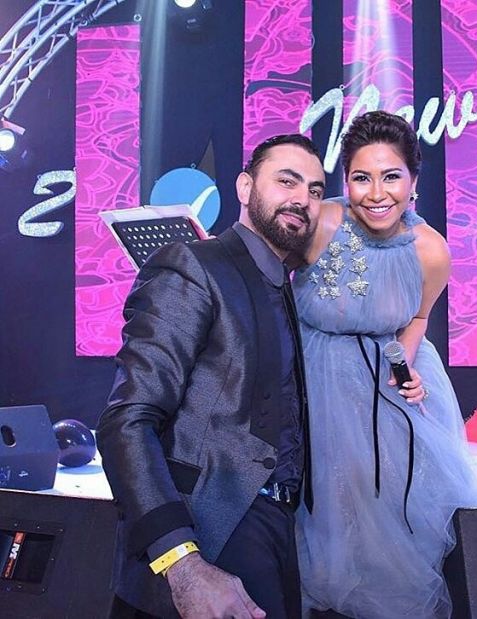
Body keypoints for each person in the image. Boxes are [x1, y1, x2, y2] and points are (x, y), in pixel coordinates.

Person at [96, 134, 326, 619]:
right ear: (244, 187)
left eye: (315, 190)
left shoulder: (283, 285)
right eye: (286, 181)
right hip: (205, 530)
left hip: (275, 527)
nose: (302, 199)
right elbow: (127, 421)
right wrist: (182, 562)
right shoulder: (193, 266)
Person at [292, 111, 477, 619]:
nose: (377, 193)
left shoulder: (432, 251)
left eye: (391, 176)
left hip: (387, 378)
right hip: (312, 375)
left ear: (414, 181)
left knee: (387, 505)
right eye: (362, 177)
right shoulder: (319, 223)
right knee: (324, 501)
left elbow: (419, 317)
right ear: (345, 181)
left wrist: (408, 369)